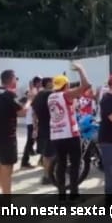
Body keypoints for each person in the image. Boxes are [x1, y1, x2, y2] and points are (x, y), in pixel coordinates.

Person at [48, 62, 91, 201]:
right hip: (70, 134)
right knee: (75, 163)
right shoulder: (65, 95)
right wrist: (81, 69)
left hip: (56, 135)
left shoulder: (51, 97)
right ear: (65, 85)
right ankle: (73, 192)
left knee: (61, 164)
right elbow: (86, 86)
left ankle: (61, 193)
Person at [0, 70, 32, 196]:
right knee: (7, 168)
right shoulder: (9, 95)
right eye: (16, 78)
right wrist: (30, 100)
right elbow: (22, 112)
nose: (17, 81)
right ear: (11, 79)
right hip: (8, 135)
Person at [31, 77, 54, 185]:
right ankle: (49, 176)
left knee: (46, 154)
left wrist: (35, 127)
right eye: (52, 82)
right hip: (52, 127)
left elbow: (34, 113)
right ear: (48, 83)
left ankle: (47, 174)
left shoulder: (38, 95)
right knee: (51, 154)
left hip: (42, 127)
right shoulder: (52, 94)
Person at [21, 76, 41, 169]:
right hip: (32, 121)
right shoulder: (34, 92)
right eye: (40, 82)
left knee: (33, 141)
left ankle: (39, 160)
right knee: (30, 141)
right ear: (37, 83)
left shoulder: (34, 91)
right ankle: (25, 161)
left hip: (32, 120)